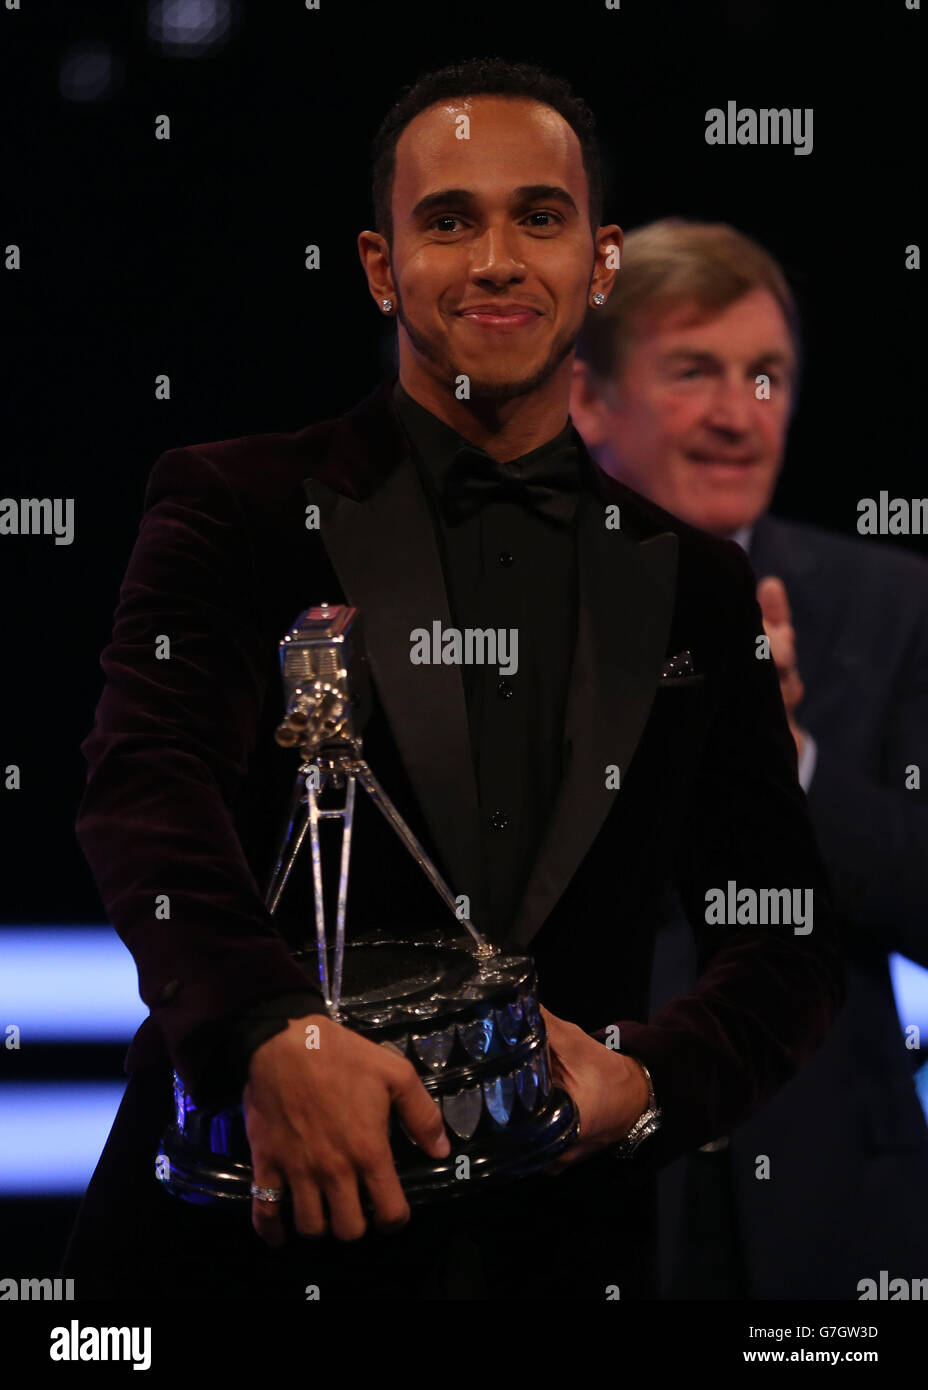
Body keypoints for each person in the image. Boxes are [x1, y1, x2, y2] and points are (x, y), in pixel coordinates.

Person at [61, 64, 844, 1302]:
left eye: (538, 217)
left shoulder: (695, 582)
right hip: (242, 1250)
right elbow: (143, 796)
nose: (495, 259)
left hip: (561, 1259)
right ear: (380, 267)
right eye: (448, 219)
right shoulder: (234, 506)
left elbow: (786, 936)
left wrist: (645, 1079)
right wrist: (268, 1030)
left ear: (599, 262)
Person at [571, 217, 928, 1299]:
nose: (738, 413)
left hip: (828, 1206)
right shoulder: (502, 607)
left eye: (765, 375)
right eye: (694, 372)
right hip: (580, 1188)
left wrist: (791, 759)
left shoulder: (888, 604)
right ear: (591, 399)